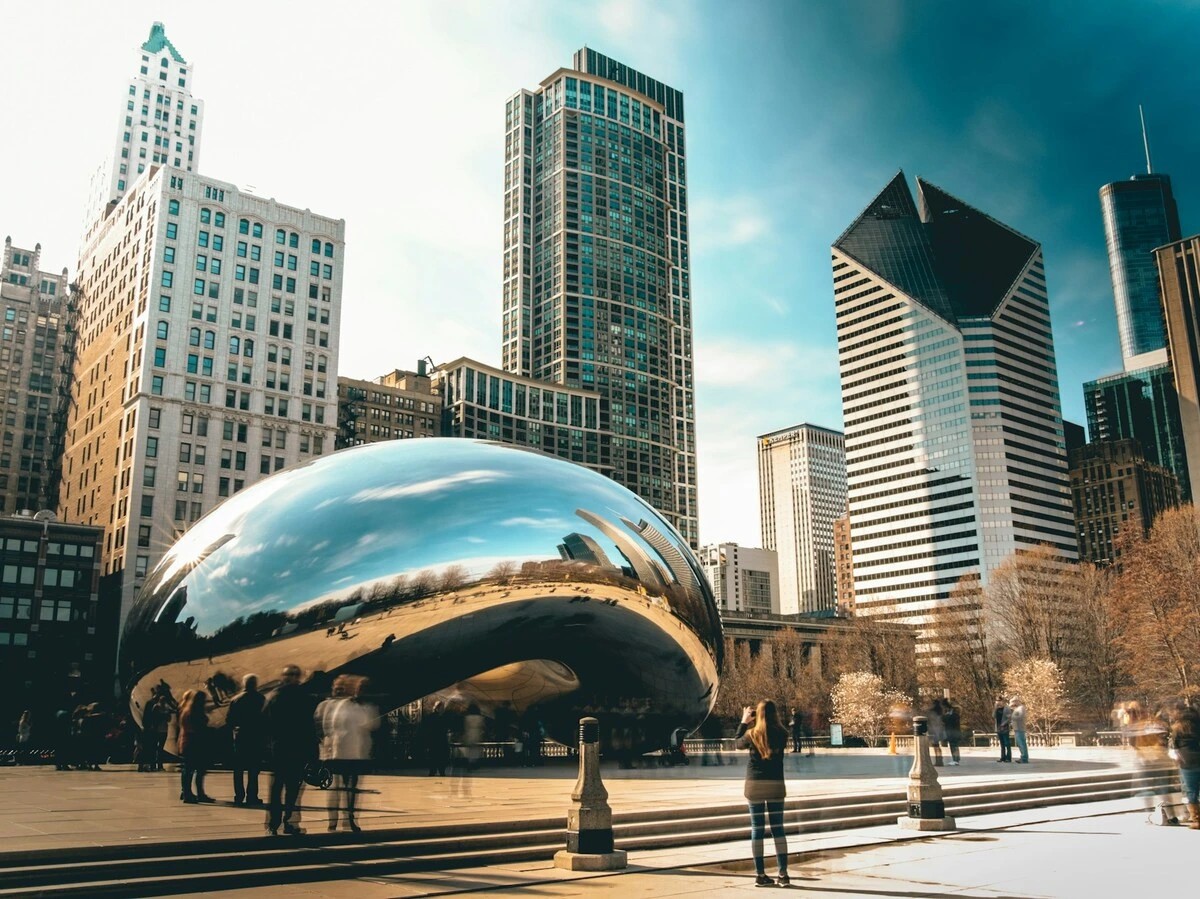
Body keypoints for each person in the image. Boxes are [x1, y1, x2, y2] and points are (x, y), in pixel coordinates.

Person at [736, 700, 790, 887]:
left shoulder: (751, 734)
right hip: (775, 785)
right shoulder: (783, 734)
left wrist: (744, 722)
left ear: (757, 715)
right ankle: (783, 874)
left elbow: (737, 743)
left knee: (757, 830)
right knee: (778, 829)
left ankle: (760, 874)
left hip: (755, 785)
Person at [316, 675, 378, 832]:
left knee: (351, 788)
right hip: (339, 751)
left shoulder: (361, 707)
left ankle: (349, 818)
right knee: (337, 786)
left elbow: (370, 725)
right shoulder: (339, 705)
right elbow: (330, 726)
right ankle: (334, 820)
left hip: (355, 753)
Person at [264, 665, 317, 836]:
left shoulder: (273, 696)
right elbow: (309, 726)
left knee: (277, 787)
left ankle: (273, 824)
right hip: (295, 747)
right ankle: (288, 822)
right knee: (292, 788)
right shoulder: (304, 697)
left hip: (279, 747)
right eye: (292, 675)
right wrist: (313, 752)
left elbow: (263, 723)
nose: (293, 677)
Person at [227, 674, 265, 805]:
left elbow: (229, 720)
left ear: (244, 684)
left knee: (238, 768)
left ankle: (238, 796)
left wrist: (235, 730)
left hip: (240, 736)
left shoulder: (235, 699)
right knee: (253, 768)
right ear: (255, 684)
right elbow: (265, 718)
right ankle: (252, 796)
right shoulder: (260, 699)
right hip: (256, 736)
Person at [1167, 699, 1200, 829]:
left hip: (1187, 762)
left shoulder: (1177, 728)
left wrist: (1177, 759)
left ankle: (1197, 820)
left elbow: (1173, 748)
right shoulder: (1198, 726)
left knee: (1191, 791)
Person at [178, 691, 214, 803]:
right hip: (195, 743)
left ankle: (188, 793)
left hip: (188, 742)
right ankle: (192, 794)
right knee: (196, 769)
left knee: (190, 769)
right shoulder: (195, 713)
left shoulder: (187, 711)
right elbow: (198, 728)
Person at [419, 700, 451, 776]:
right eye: (442, 708)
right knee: (440, 756)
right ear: (437, 708)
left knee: (434, 756)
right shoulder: (441, 718)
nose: (443, 709)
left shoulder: (431, 717)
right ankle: (440, 771)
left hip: (434, 741)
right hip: (439, 740)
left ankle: (434, 771)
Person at [926, 699, 947, 766]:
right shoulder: (940, 712)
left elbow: (930, 722)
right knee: (937, 746)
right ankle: (939, 760)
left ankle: (938, 760)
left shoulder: (931, 713)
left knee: (935, 746)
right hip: (939, 730)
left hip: (933, 731)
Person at [942, 698, 962, 765]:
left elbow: (945, 720)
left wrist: (946, 715)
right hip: (954, 732)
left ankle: (955, 760)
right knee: (954, 746)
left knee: (954, 746)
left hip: (953, 733)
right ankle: (956, 759)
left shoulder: (953, 715)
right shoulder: (955, 715)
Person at [1010, 696, 1029, 764]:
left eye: (1013, 702)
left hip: (1020, 728)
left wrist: (1012, 717)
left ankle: (1024, 758)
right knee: (1020, 743)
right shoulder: (1017, 708)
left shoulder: (1021, 708)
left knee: (1021, 743)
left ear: (1017, 701)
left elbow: (1020, 716)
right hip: (1017, 728)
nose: (1012, 705)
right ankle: (1023, 757)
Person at [994, 697, 1012, 763]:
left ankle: (1008, 758)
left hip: (1005, 728)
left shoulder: (1006, 708)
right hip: (999, 728)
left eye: (999, 701)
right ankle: (1003, 757)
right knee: (1002, 744)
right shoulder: (997, 708)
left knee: (1007, 743)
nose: (998, 702)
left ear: (1002, 701)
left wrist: (1004, 723)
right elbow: (993, 716)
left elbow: (1009, 718)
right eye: (997, 701)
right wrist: (995, 708)